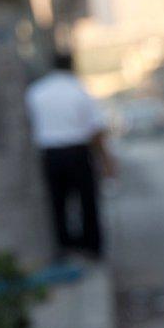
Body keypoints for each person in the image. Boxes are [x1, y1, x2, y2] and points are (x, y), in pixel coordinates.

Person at [25, 52, 115, 260]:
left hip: (50, 154)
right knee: (87, 201)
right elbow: (95, 129)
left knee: (58, 203)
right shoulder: (79, 90)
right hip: (77, 151)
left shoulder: (36, 91)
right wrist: (106, 161)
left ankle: (65, 247)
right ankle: (92, 248)